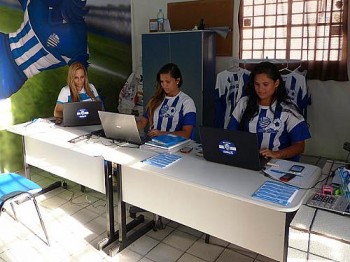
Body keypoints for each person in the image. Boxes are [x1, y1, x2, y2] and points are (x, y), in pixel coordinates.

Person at [0, 0, 89, 99]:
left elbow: (80, 74)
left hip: (11, 70)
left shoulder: (76, 39)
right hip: (12, 73)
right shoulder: (77, 39)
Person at [227, 61, 311, 162]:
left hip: (279, 163)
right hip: (249, 160)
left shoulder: (288, 109)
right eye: (257, 84)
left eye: (265, 84)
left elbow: (299, 146)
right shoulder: (244, 103)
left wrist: (275, 154)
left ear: (276, 83)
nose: (260, 89)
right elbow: (230, 134)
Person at [137, 63, 196, 139]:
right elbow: (142, 122)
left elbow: (187, 133)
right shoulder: (156, 100)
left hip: (175, 147)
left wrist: (162, 133)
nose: (164, 85)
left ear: (177, 80)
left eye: (168, 82)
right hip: (152, 145)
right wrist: (126, 127)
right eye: (162, 82)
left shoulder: (187, 102)